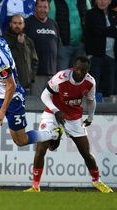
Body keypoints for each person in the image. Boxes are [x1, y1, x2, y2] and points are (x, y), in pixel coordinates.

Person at [0, 25, 64, 191]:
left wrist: (2, 111)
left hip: (12, 99)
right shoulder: (1, 41)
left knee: (21, 141)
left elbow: (11, 86)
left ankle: (53, 134)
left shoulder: (0, 59)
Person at [24, 56, 114, 193]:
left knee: (86, 153)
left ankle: (97, 181)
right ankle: (35, 185)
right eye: (77, 69)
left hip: (74, 118)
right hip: (53, 114)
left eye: (83, 70)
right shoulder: (61, 77)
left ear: (87, 70)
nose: (79, 72)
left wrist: (90, 117)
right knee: (41, 148)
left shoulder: (90, 82)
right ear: (73, 67)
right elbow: (44, 95)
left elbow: (91, 100)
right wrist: (56, 111)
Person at [25, 0, 60, 96]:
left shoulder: (53, 23)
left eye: (45, 7)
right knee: (37, 103)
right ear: (35, 8)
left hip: (52, 73)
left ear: (49, 9)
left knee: (51, 104)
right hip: (36, 73)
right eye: (40, 7)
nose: (42, 10)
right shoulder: (27, 23)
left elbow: (57, 45)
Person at [3, 14, 38, 92]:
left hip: (26, 86)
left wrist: (31, 78)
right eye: (15, 23)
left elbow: (34, 60)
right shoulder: (4, 40)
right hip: (9, 86)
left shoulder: (28, 40)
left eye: (20, 23)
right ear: (10, 24)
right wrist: (19, 44)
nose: (17, 26)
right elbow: (6, 60)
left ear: (23, 25)